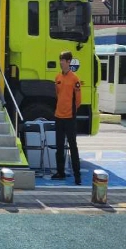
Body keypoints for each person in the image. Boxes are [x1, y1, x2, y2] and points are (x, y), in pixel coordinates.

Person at [53, 50, 82, 185]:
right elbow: (57, 95)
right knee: (59, 146)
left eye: (63, 60)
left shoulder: (75, 79)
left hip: (70, 117)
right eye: (60, 60)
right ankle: (60, 172)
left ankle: (77, 175)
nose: (61, 63)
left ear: (69, 62)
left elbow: (78, 100)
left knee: (73, 146)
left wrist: (72, 112)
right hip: (58, 116)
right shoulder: (57, 77)